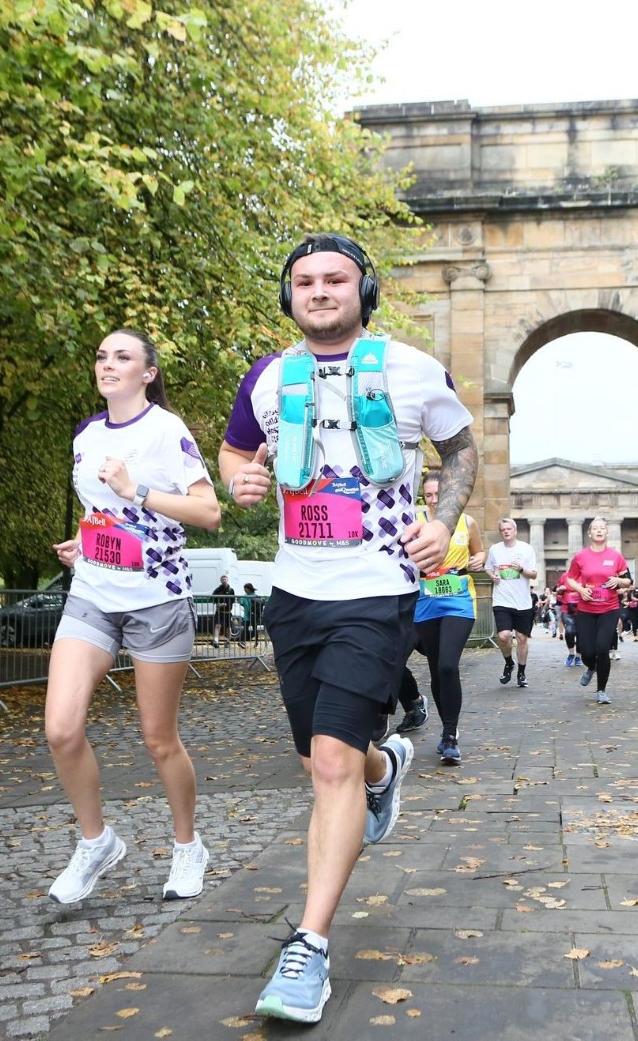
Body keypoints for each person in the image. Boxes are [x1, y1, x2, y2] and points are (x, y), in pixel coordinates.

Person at [219, 232, 477, 1024]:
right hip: (295, 591)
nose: (320, 291)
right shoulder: (266, 377)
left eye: (335, 279)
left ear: (364, 290)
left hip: (379, 588)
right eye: (304, 281)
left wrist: (443, 520)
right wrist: (245, 481)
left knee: (327, 763)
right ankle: (382, 771)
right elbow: (233, 456)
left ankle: (309, 947)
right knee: (323, 759)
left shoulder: (411, 369)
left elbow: (462, 449)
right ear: (288, 295)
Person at [44, 328, 221, 907]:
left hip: (157, 599)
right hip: (93, 592)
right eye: (101, 356)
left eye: (122, 357)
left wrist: (136, 488)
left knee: (158, 737)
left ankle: (188, 846)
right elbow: (99, 510)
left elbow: (209, 512)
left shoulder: (166, 431)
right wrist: (83, 539)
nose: (107, 364)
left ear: (147, 373)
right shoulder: (86, 435)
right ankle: (96, 843)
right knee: (61, 727)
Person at [413, 470, 485, 765]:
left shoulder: (467, 522)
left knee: (447, 666)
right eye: (427, 495)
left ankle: (451, 735)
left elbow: (479, 554)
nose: (432, 501)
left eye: (437, 495)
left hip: (458, 600)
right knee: (434, 669)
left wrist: (480, 559)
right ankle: (445, 730)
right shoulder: (414, 521)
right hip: (426, 600)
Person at [565, 517, 632, 705]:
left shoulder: (615, 556)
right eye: (595, 528)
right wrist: (580, 590)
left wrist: (619, 581)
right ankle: (591, 667)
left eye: (602, 528)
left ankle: (601, 690)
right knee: (586, 652)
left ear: (607, 532)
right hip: (586, 608)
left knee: (602, 647)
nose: (599, 531)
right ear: (589, 533)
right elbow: (570, 579)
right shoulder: (581, 557)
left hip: (609, 608)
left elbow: (628, 580)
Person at [485, 517, 538, 687]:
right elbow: (488, 567)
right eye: (503, 530)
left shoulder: (526, 549)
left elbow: (534, 574)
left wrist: (521, 569)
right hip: (502, 599)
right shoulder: (495, 549)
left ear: (515, 531)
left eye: (509, 529)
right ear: (501, 532)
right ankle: (509, 663)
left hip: (522, 602)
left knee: (522, 639)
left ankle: (521, 673)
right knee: (504, 635)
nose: (506, 532)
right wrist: (492, 575)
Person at [556, 569, 582, 668]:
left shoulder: (586, 575)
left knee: (581, 633)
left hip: (582, 609)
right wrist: (560, 589)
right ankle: (571, 653)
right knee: (570, 632)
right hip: (567, 608)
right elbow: (558, 593)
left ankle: (578, 657)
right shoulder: (565, 576)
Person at [211, 573, 235, 648]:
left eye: (225, 579)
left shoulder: (231, 590)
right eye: (222, 579)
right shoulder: (218, 589)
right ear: (221, 581)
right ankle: (216, 640)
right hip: (219, 612)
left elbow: (232, 600)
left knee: (228, 627)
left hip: (227, 612)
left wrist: (226, 604)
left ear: (227, 580)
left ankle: (228, 641)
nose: (224, 581)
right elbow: (212, 598)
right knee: (217, 625)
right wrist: (217, 603)